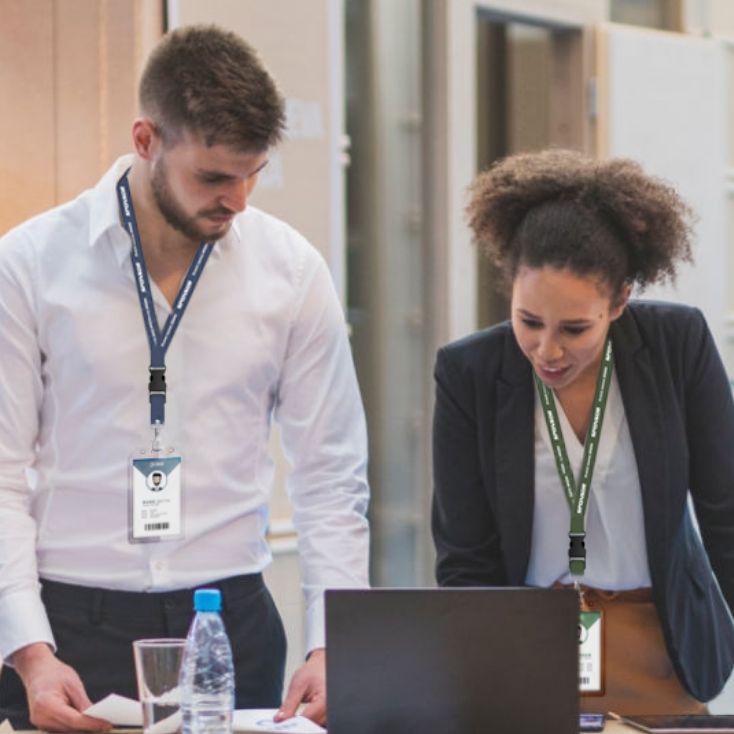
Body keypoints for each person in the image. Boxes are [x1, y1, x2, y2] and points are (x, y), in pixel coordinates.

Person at [0, 24, 369, 731]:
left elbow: (331, 474)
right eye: (213, 177)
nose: (237, 199)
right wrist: (27, 651)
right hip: (72, 628)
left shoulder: (290, 272)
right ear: (145, 141)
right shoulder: (30, 266)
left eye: (252, 173)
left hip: (231, 625)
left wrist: (333, 642)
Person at [431, 149, 734, 714]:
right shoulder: (469, 373)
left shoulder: (676, 346)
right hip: (533, 639)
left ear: (620, 300)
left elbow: (726, 511)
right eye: (529, 321)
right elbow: (465, 556)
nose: (547, 350)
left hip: (657, 638)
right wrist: (482, 675)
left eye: (575, 328)